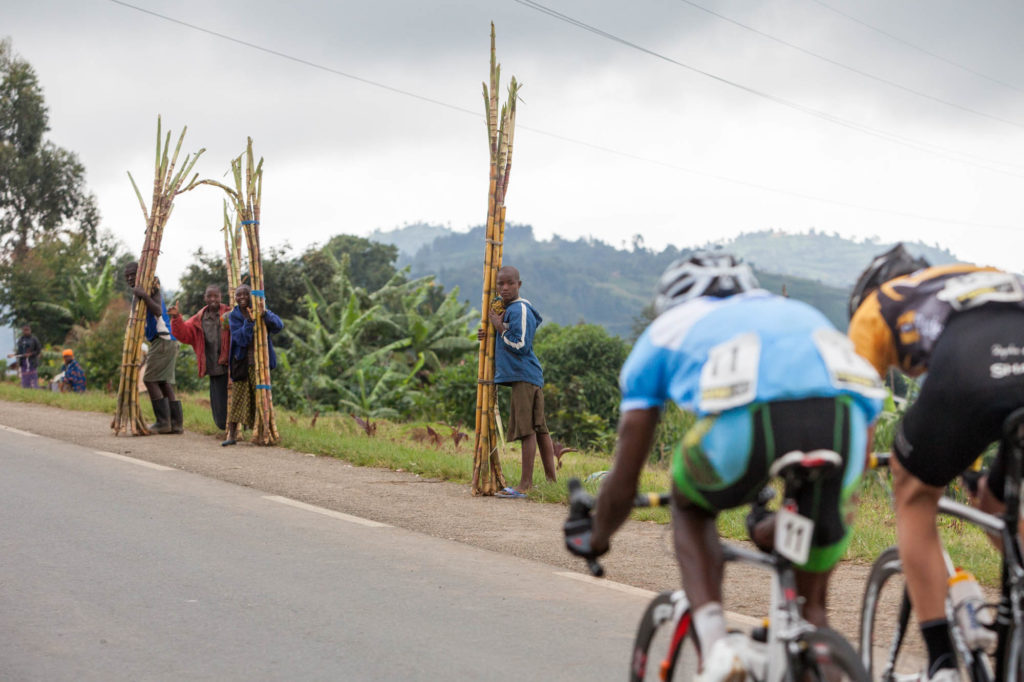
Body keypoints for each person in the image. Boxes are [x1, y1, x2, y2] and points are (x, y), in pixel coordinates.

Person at [564, 253, 884, 680]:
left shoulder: (667, 329)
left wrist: (598, 536)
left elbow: (624, 478)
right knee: (809, 617)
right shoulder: (797, 312)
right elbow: (868, 421)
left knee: (689, 505)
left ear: (672, 301)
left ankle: (717, 647)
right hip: (846, 425)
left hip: (746, 423)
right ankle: (813, 649)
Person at [848, 244, 1024, 682]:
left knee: (913, 491)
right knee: (999, 503)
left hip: (971, 370)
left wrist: (847, 480)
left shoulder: (877, 306)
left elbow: (858, 409)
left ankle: (943, 661)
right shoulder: (979, 276)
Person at [476, 265, 557, 498]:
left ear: (519, 284)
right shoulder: (508, 309)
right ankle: (552, 482)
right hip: (527, 377)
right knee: (540, 429)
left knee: (528, 430)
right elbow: (505, 339)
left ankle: (525, 485)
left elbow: (521, 345)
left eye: (510, 283)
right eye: (500, 284)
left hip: (525, 375)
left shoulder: (519, 309)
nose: (505, 288)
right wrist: (490, 332)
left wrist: (499, 327)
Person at [125, 262, 182, 435]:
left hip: (163, 339)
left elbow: (158, 310)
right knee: (163, 382)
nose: (130, 278)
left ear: (141, 273)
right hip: (163, 340)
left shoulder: (151, 288)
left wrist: (143, 295)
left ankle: (163, 422)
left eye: (133, 274)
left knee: (150, 379)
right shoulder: (140, 294)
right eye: (127, 276)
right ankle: (175, 424)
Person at [223, 284, 283, 446]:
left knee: (261, 400)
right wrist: (249, 322)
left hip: (261, 364)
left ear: (251, 296)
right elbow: (240, 339)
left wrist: (264, 315)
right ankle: (232, 434)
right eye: (238, 295)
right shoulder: (234, 315)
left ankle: (263, 433)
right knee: (237, 398)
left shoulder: (261, 309)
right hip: (242, 362)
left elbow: (278, 326)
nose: (241, 297)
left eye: (245, 294)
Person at [169, 284, 232, 432]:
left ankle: (238, 428)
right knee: (219, 402)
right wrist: (176, 318)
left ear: (221, 297)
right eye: (209, 296)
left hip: (231, 365)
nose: (213, 299)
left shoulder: (230, 313)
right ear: (205, 298)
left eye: (215, 296)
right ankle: (225, 427)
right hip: (213, 366)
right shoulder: (198, 319)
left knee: (235, 397)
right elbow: (183, 334)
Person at [9, 325, 42, 389]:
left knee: (32, 376)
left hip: (32, 362)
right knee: (25, 376)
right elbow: (19, 351)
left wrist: (31, 354)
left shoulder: (34, 339)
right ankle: (25, 388)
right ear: (22, 331)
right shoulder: (21, 340)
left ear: (30, 330)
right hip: (23, 362)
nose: (26, 332)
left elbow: (38, 350)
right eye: (25, 330)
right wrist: (14, 355)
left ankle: (34, 388)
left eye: (27, 330)